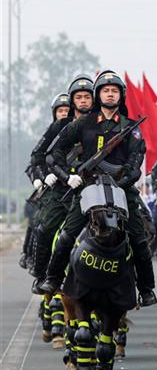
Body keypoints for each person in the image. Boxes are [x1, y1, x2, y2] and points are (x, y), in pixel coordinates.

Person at [38, 70, 157, 306]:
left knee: (139, 239)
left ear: (121, 96)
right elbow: (54, 152)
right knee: (66, 236)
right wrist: (67, 176)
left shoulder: (130, 127)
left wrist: (121, 181)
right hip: (88, 188)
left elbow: (135, 164)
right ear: (98, 95)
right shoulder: (83, 123)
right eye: (105, 91)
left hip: (121, 189)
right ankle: (52, 279)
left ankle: (146, 289)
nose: (110, 94)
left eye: (114, 91)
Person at [27, 82, 92, 290]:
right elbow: (39, 155)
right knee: (45, 228)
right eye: (79, 97)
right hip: (61, 187)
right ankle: (41, 275)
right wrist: (44, 176)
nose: (83, 101)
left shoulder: (100, 124)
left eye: (87, 97)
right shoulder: (59, 126)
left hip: (92, 187)